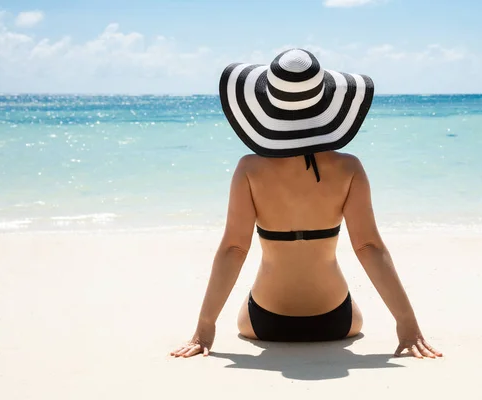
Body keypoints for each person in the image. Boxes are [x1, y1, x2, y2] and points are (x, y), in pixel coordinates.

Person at [171, 49, 442, 360]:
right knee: (356, 310)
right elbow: (369, 247)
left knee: (244, 310)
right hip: (337, 321)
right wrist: (408, 325)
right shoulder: (349, 168)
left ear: (267, 106)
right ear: (325, 104)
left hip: (263, 322)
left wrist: (204, 328)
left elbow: (234, 248)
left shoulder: (249, 169)